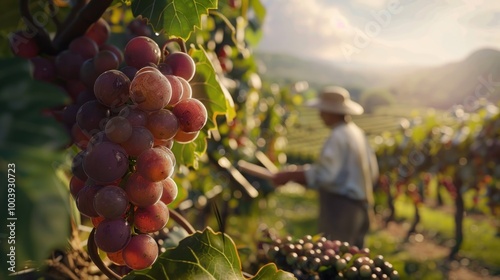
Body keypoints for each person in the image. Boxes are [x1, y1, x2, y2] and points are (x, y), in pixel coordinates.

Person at [271, 86, 379, 248]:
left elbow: (325, 174)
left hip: (341, 209)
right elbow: (373, 171)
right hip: (361, 207)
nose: (320, 115)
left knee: (332, 259)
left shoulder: (338, 136)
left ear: (332, 112)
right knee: (352, 261)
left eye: (323, 110)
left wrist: (291, 175)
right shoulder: (356, 133)